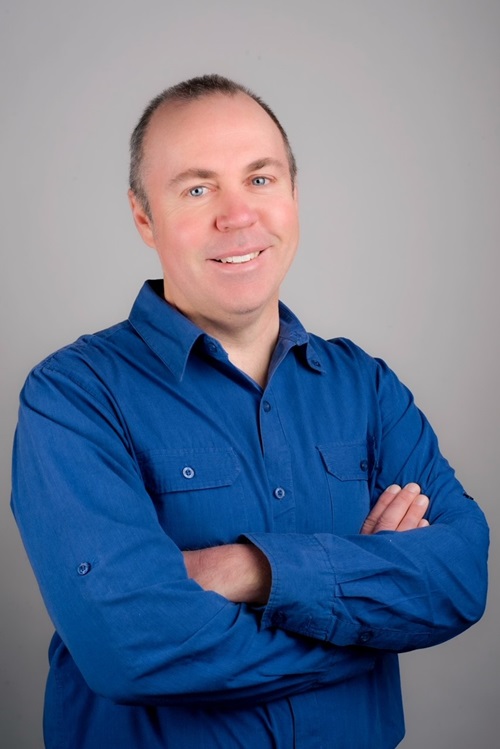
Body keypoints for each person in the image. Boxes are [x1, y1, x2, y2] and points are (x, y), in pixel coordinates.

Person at [11, 74, 488, 749]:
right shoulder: (73, 397)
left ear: (293, 195)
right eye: (198, 188)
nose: (237, 217)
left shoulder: (367, 386)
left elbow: (460, 577)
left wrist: (252, 569)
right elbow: (129, 645)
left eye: (260, 180)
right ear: (144, 216)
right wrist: (369, 625)